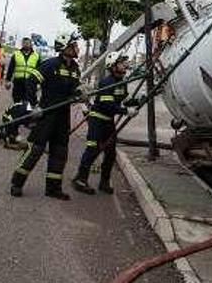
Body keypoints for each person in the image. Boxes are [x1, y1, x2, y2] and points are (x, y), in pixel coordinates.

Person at [10, 36, 82, 200]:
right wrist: (34, 106)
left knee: (60, 152)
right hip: (47, 114)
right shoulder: (51, 65)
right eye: (74, 46)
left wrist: (79, 94)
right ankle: (17, 183)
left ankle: (53, 188)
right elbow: (31, 81)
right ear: (65, 48)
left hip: (63, 116)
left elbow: (75, 88)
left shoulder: (75, 68)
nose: (77, 49)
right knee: (35, 150)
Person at [72, 52, 135, 195]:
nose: (125, 66)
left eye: (124, 63)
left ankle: (104, 182)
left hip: (108, 122)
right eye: (121, 63)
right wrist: (126, 111)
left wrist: (138, 101)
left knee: (111, 153)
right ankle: (80, 179)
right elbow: (108, 106)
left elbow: (124, 100)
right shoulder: (106, 83)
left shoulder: (121, 83)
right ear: (113, 66)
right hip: (97, 120)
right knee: (92, 149)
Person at [1, 37, 41, 148]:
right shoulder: (16, 54)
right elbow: (11, 68)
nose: (26, 44)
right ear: (22, 44)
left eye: (28, 42)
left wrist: (38, 84)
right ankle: (16, 124)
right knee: (17, 104)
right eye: (24, 42)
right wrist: (8, 80)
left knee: (29, 104)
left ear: (31, 44)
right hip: (18, 83)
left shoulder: (36, 56)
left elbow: (39, 70)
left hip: (30, 84)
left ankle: (27, 122)